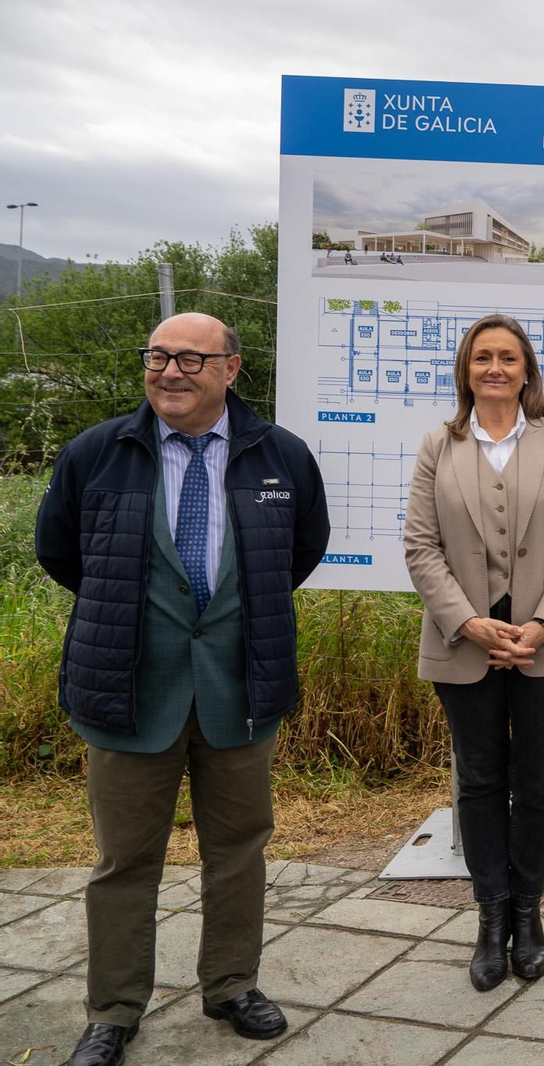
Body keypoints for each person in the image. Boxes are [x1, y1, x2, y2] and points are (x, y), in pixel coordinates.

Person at [35, 313, 330, 1065]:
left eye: (192, 359)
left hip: (240, 688)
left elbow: (300, 550)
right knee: (124, 860)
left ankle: (232, 985)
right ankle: (113, 1010)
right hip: (130, 688)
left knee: (238, 848)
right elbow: (63, 551)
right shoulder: (98, 452)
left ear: (231, 370)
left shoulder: (280, 456)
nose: (171, 372)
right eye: (159, 357)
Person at [403, 313, 544, 992]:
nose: (494, 368)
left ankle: (529, 911)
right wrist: (468, 621)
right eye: (482, 357)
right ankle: (490, 918)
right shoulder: (438, 445)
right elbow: (420, 548)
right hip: (466, 647)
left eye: (507, 358)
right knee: (480, 782)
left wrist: (543, 623)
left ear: (526, 371)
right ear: (466, 369)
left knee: (540, 783)